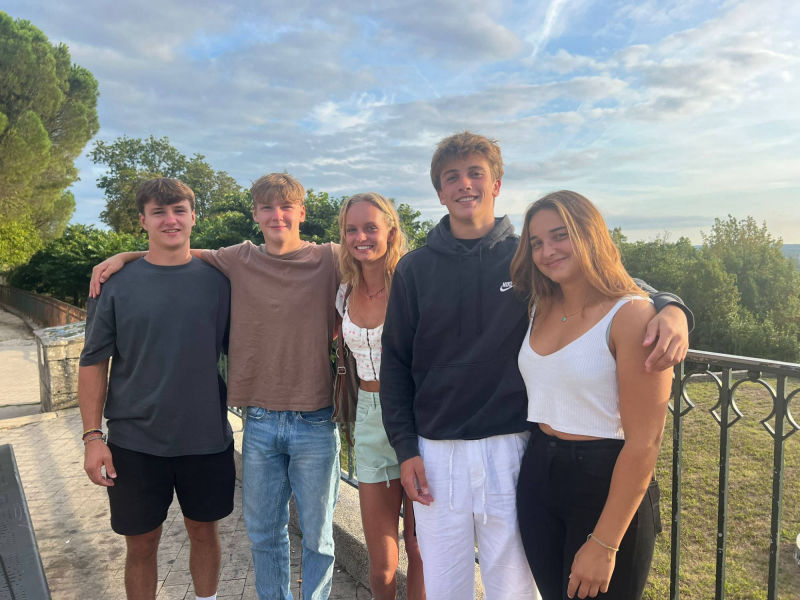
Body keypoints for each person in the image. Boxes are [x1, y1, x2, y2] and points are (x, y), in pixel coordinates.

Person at [379, 132, 692, 600]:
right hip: (436, 453)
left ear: (496, 184)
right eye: (452, 177)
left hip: (514, 448)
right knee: (444, 588)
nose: (465, 184)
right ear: (440, 192)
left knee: (515, 590)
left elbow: (607, 283)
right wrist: (406, 449)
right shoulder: (414, 269)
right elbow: (395, 365)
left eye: (475, 173)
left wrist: (672, 307)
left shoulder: (524, 258)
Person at [89, 173, 340, 600]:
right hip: (250, 422)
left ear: (302, 211)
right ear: (255, 213)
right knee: (261, 536)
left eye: (286, 207)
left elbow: (379, 258)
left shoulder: (329, 258)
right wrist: (125, 258)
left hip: (302, 421)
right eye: (267, 207)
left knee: (313, 538)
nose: (277, 215)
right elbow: (174, 252)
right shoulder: (239, 259)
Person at [511, 190, 672, 599]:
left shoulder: (632, 315)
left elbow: (645, 442)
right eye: (537, 243)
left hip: (605, 481)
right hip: (539, 472)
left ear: (589, 234)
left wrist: (604, 543)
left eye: (559, 235)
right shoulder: (538, 306)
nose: (547, 251)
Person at [78, 177, 233, 600]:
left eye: (179, 210)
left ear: (194, 216)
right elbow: (93, 363)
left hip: (206, 438)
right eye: (159, 212)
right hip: (134, 442)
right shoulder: (112, 284)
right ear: (142, 220)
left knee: (205, 532)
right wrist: (92, 438)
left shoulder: (220, 282)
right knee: (142, 545)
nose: (170, 220)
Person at [335, 193, 425, 599]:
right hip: (370, 419)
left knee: (421, 549)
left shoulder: (413, 284)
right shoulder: (344, 291)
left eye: (370, 227)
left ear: (391, 229)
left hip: (418, 418)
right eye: (351, 229)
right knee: (382, 563)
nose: (361, 237)